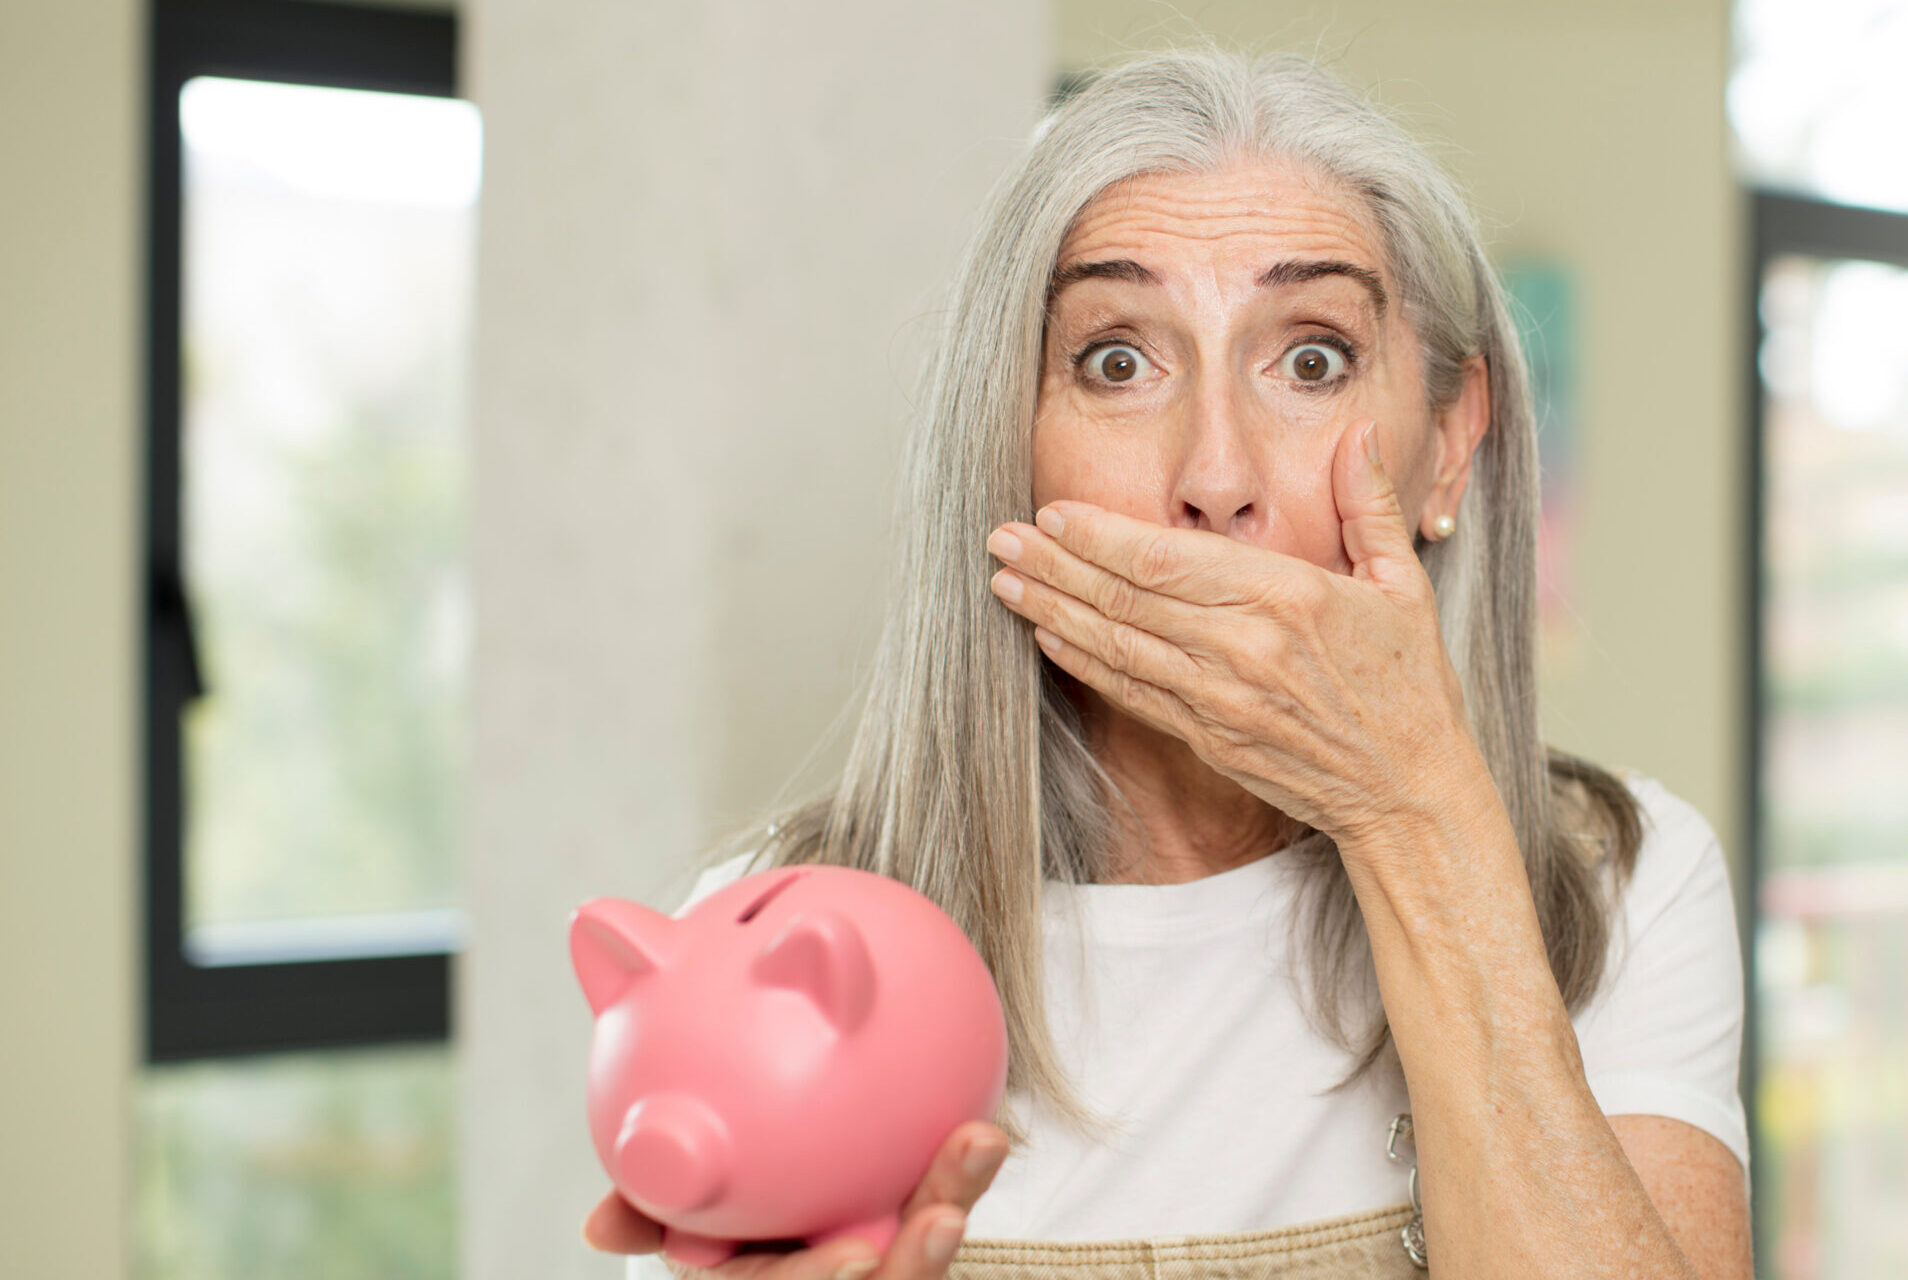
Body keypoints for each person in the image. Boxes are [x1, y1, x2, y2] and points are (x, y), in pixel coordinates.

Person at [584, 45, 1750, 1280]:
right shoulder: (769, 936)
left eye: (1311, 359)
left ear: (1449, 445)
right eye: (1117, 361)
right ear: (1004, 449)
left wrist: (1412, 807)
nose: (1215, 479)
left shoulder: (1622, 882)